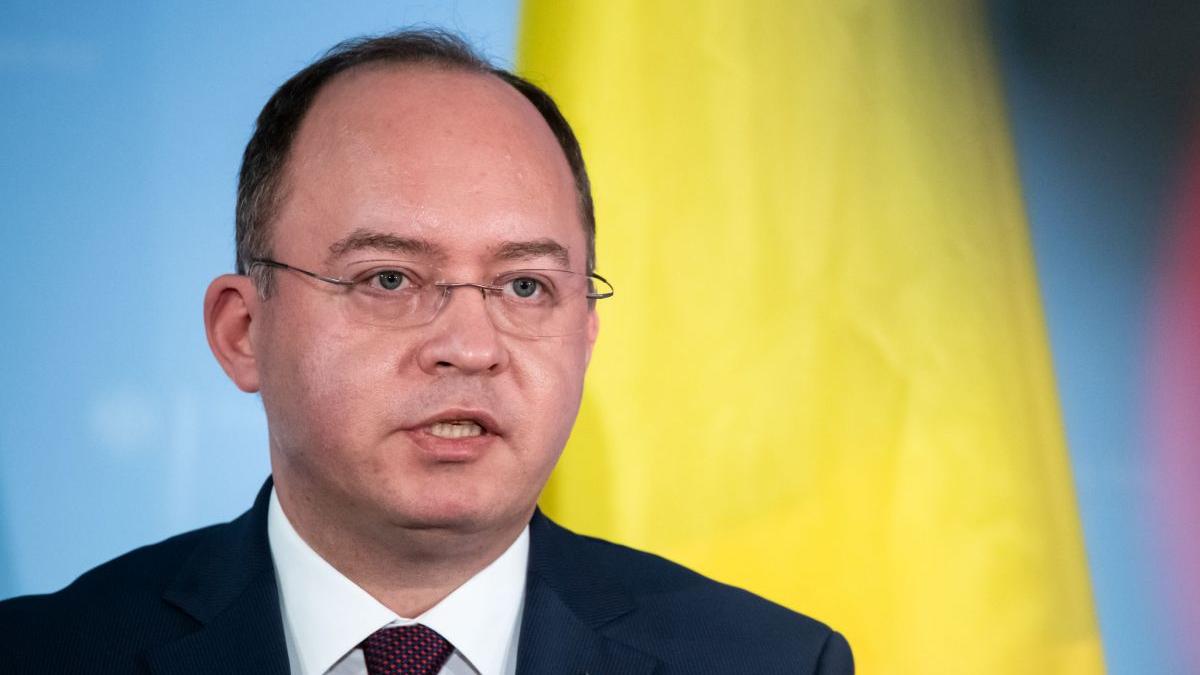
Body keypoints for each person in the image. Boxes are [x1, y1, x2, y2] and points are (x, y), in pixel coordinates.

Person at [0, 30, 852, 674]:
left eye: (526, 287)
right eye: (390, 278)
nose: (471, 347)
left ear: (586, 333)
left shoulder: (770, 662)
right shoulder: (42, 654)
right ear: (242, 331)